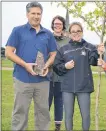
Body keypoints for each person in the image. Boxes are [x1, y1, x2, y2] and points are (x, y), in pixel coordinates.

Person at [5, 2, 57, 130]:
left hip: (43, 80)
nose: (36, 16)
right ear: (27, 14)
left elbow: (54, 54)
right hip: (23, 79)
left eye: (38, 13)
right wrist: (25, 65)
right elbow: (8, 53)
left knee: (43, 114)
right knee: (20, 112)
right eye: (33, 13)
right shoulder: (18, 31)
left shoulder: (48, 34)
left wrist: (47, 65)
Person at [53, 22, 105, 130]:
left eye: (78, 31)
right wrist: (65, 66)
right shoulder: (63, 49)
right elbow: (56, 67)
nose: (76, 33)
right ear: (69, 33)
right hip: (67, 87)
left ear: (82, 32)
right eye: (73, 31)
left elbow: (93, 61)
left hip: (84, 87)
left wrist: (100, 53)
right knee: (68, 115)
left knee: (85, 116)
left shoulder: (89, 47)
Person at [49, 15, 70, 131]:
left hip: (62, 78)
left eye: (60, 24)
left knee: (59, 103)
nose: (57, 26)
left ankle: (58, 127)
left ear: (63, 26)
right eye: (55, 24)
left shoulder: (67, 41)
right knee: (45, 103)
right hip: (47, 77)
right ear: (53, 25)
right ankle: (43, 126)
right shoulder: (47, 37)